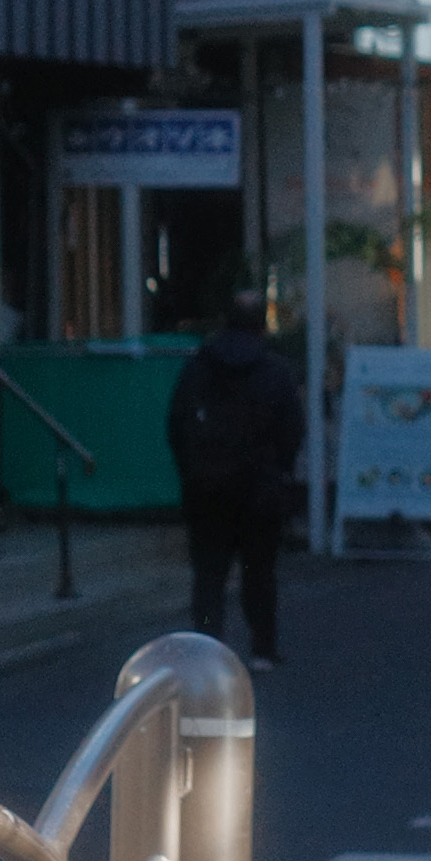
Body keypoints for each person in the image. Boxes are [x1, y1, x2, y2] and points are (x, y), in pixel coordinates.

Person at [167, 283, 306, 664]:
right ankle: (262, 647)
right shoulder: (274, 371)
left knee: (209, 575)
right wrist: (279, 470)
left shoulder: (198, 368)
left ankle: (207, 652)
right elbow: (292, 429)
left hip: (207, 488)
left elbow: (177, 425)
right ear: (261, 325)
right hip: (259, 489)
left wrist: (191, 472)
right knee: (259, 571)